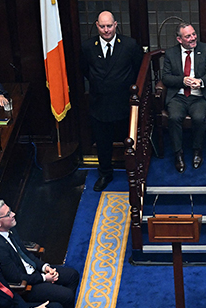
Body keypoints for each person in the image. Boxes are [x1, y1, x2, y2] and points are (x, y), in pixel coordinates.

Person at [0, 200, 81, 308]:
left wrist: (45, 267)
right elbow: (15, 277)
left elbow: (25, 254)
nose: (13, 214)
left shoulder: (10, 229)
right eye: (8, 214)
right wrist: (44, 278)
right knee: (67, 295)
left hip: (34, 272)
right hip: (27, 285)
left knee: (72, 275)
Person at [80, 10, 143, 192]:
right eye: (102, 26)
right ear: (97, 26)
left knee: (130, 140)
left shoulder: (129, 45)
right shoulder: (87, 47)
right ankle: (105, 173)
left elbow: (137, 69)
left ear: (116, 25)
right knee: (103, 142)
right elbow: (85, 69)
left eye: (109, 26)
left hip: (124, 103)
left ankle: (135, 171)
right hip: (100, 103)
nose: (106, 30)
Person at [161, 22, 206, 173]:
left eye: (193, 34)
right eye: (188, 36)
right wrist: (182, 80)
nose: (192, 38)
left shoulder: (205, 49)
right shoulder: (171, 53)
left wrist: (201, 81)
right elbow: (165, 78)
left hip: (199, 96)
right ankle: (178, 154)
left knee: (198, 117)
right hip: (178, 96)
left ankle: (197, 151)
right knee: (174, 117)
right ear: (179, 39)